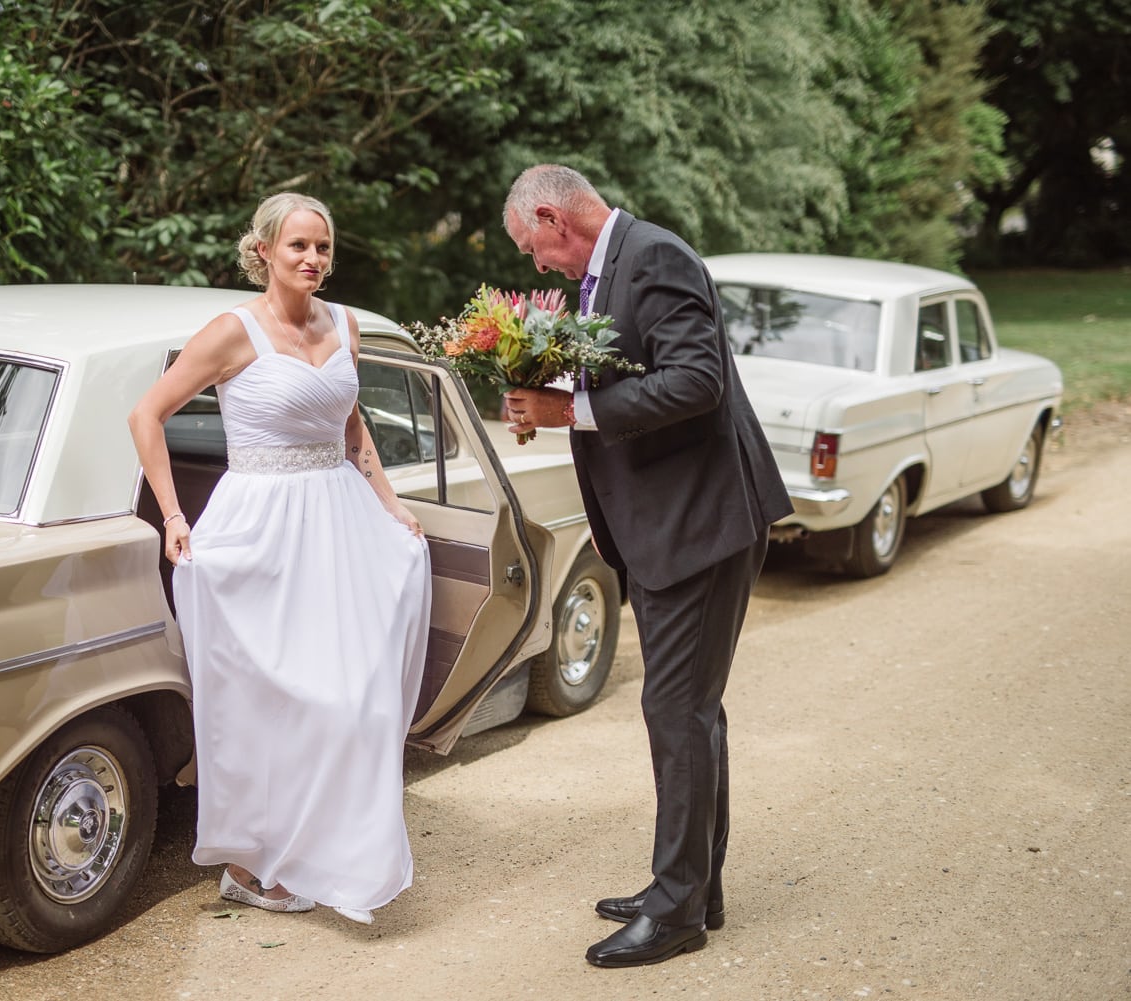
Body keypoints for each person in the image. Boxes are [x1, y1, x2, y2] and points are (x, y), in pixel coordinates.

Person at [499, 165, 793, 967]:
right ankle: (697, 884)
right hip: (664, 524)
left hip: (699, 522)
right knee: (693, 710)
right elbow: (634, 371)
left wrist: (573, 410)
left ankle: (676, 912)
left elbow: (697, 381)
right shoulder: (608, 271)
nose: (540, 267)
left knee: (678, 712)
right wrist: (547, 389)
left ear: (554, 217)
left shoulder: (654, 256)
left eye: (535, 248)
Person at [127, 192, 431, 926]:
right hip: (258, 528)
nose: (314, 259)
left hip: (341, 524)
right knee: (266, 700)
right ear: (263, 250)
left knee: (359, 697)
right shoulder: (233, 332)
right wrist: (173, 515)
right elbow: (147, 414)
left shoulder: (346, 324)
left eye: (323, 247)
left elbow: (353, 426)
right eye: (299, 246)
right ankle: (247, 861)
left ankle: (336, 853)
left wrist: (390, 503)